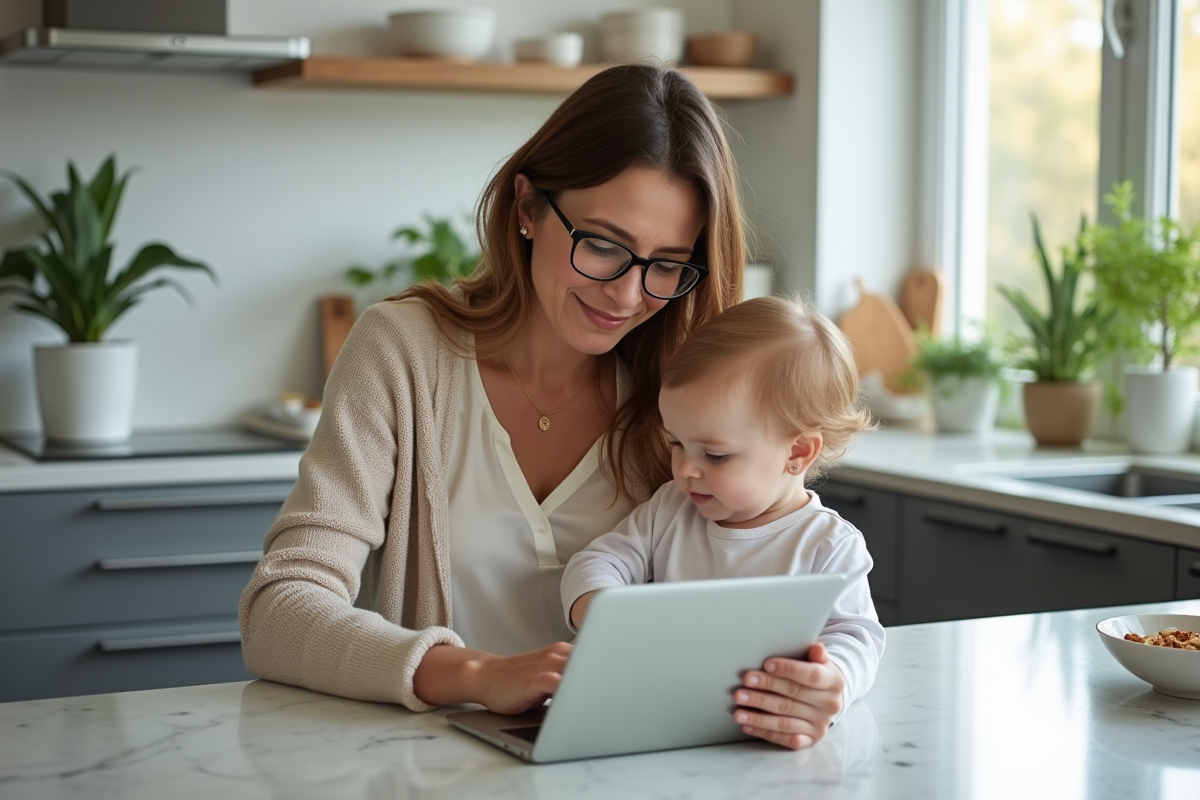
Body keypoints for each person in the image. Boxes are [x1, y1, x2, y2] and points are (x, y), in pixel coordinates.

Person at [238, 63, 821, 750]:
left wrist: (815, 686)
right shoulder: (403, 353)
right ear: (526, 207)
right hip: (428, 765)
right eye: (603, 246)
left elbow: (780, 584)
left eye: (666, 264)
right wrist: (476, 673)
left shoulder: (690, 398)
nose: (629, 296)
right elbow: (278, 614)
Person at [562, 296, 884, 749]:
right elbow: (598, 560)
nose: (685, 470)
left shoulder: (828, 545)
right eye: (676, 443)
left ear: (797, 453)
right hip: (661, 727)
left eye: (714, 454)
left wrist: (831, 682)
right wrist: (602, 611)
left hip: (764, 741)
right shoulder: (671, 509)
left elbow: (857, 636)